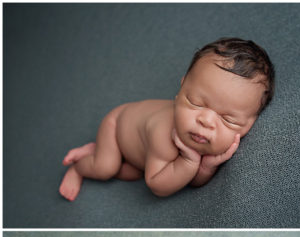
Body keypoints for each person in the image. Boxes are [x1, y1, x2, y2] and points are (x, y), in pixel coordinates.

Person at [59, 37, 274, 200]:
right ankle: (80, 165)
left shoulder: (203, 135)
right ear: (181, 88)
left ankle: (97, 148)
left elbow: (191, 181)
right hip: (117, 126)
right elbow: (156, 185)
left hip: (141, 155)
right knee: (106, 167)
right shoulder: (164, 133)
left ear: (249, 124)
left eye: (228, 119)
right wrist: (190, 161)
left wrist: (206, 167)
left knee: (132, 172)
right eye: (196, 102)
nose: (206, 121)